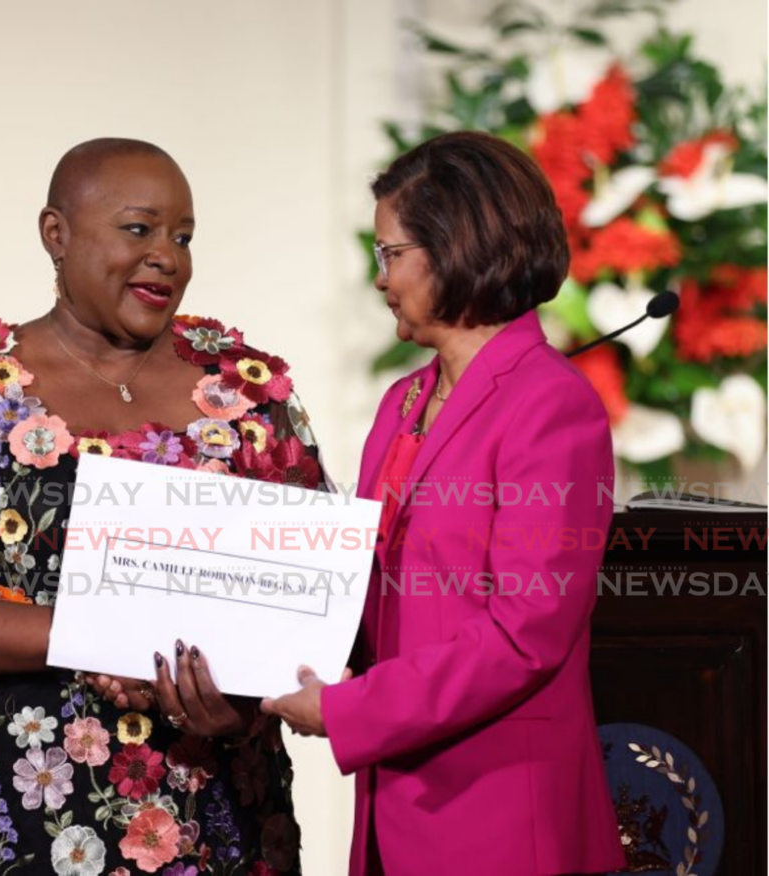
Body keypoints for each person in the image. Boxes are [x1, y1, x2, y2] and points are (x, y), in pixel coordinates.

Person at [0, 138, 323, 875]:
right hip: (8, 817)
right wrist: (103, 628)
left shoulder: (247, 396)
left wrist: (243, 703)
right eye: (140, 229)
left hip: (213, 818)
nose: (168, 254)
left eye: (184, 236)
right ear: (56, 234)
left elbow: (314, 593)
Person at [262, 132, 627, 876]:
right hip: (395, 803)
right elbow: (368, 594)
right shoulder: (405, 402)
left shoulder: (552, 406)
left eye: (390, 254)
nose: (379, 278)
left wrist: (347, 711)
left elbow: (524, 635)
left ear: (455, 247)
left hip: (499, 815)